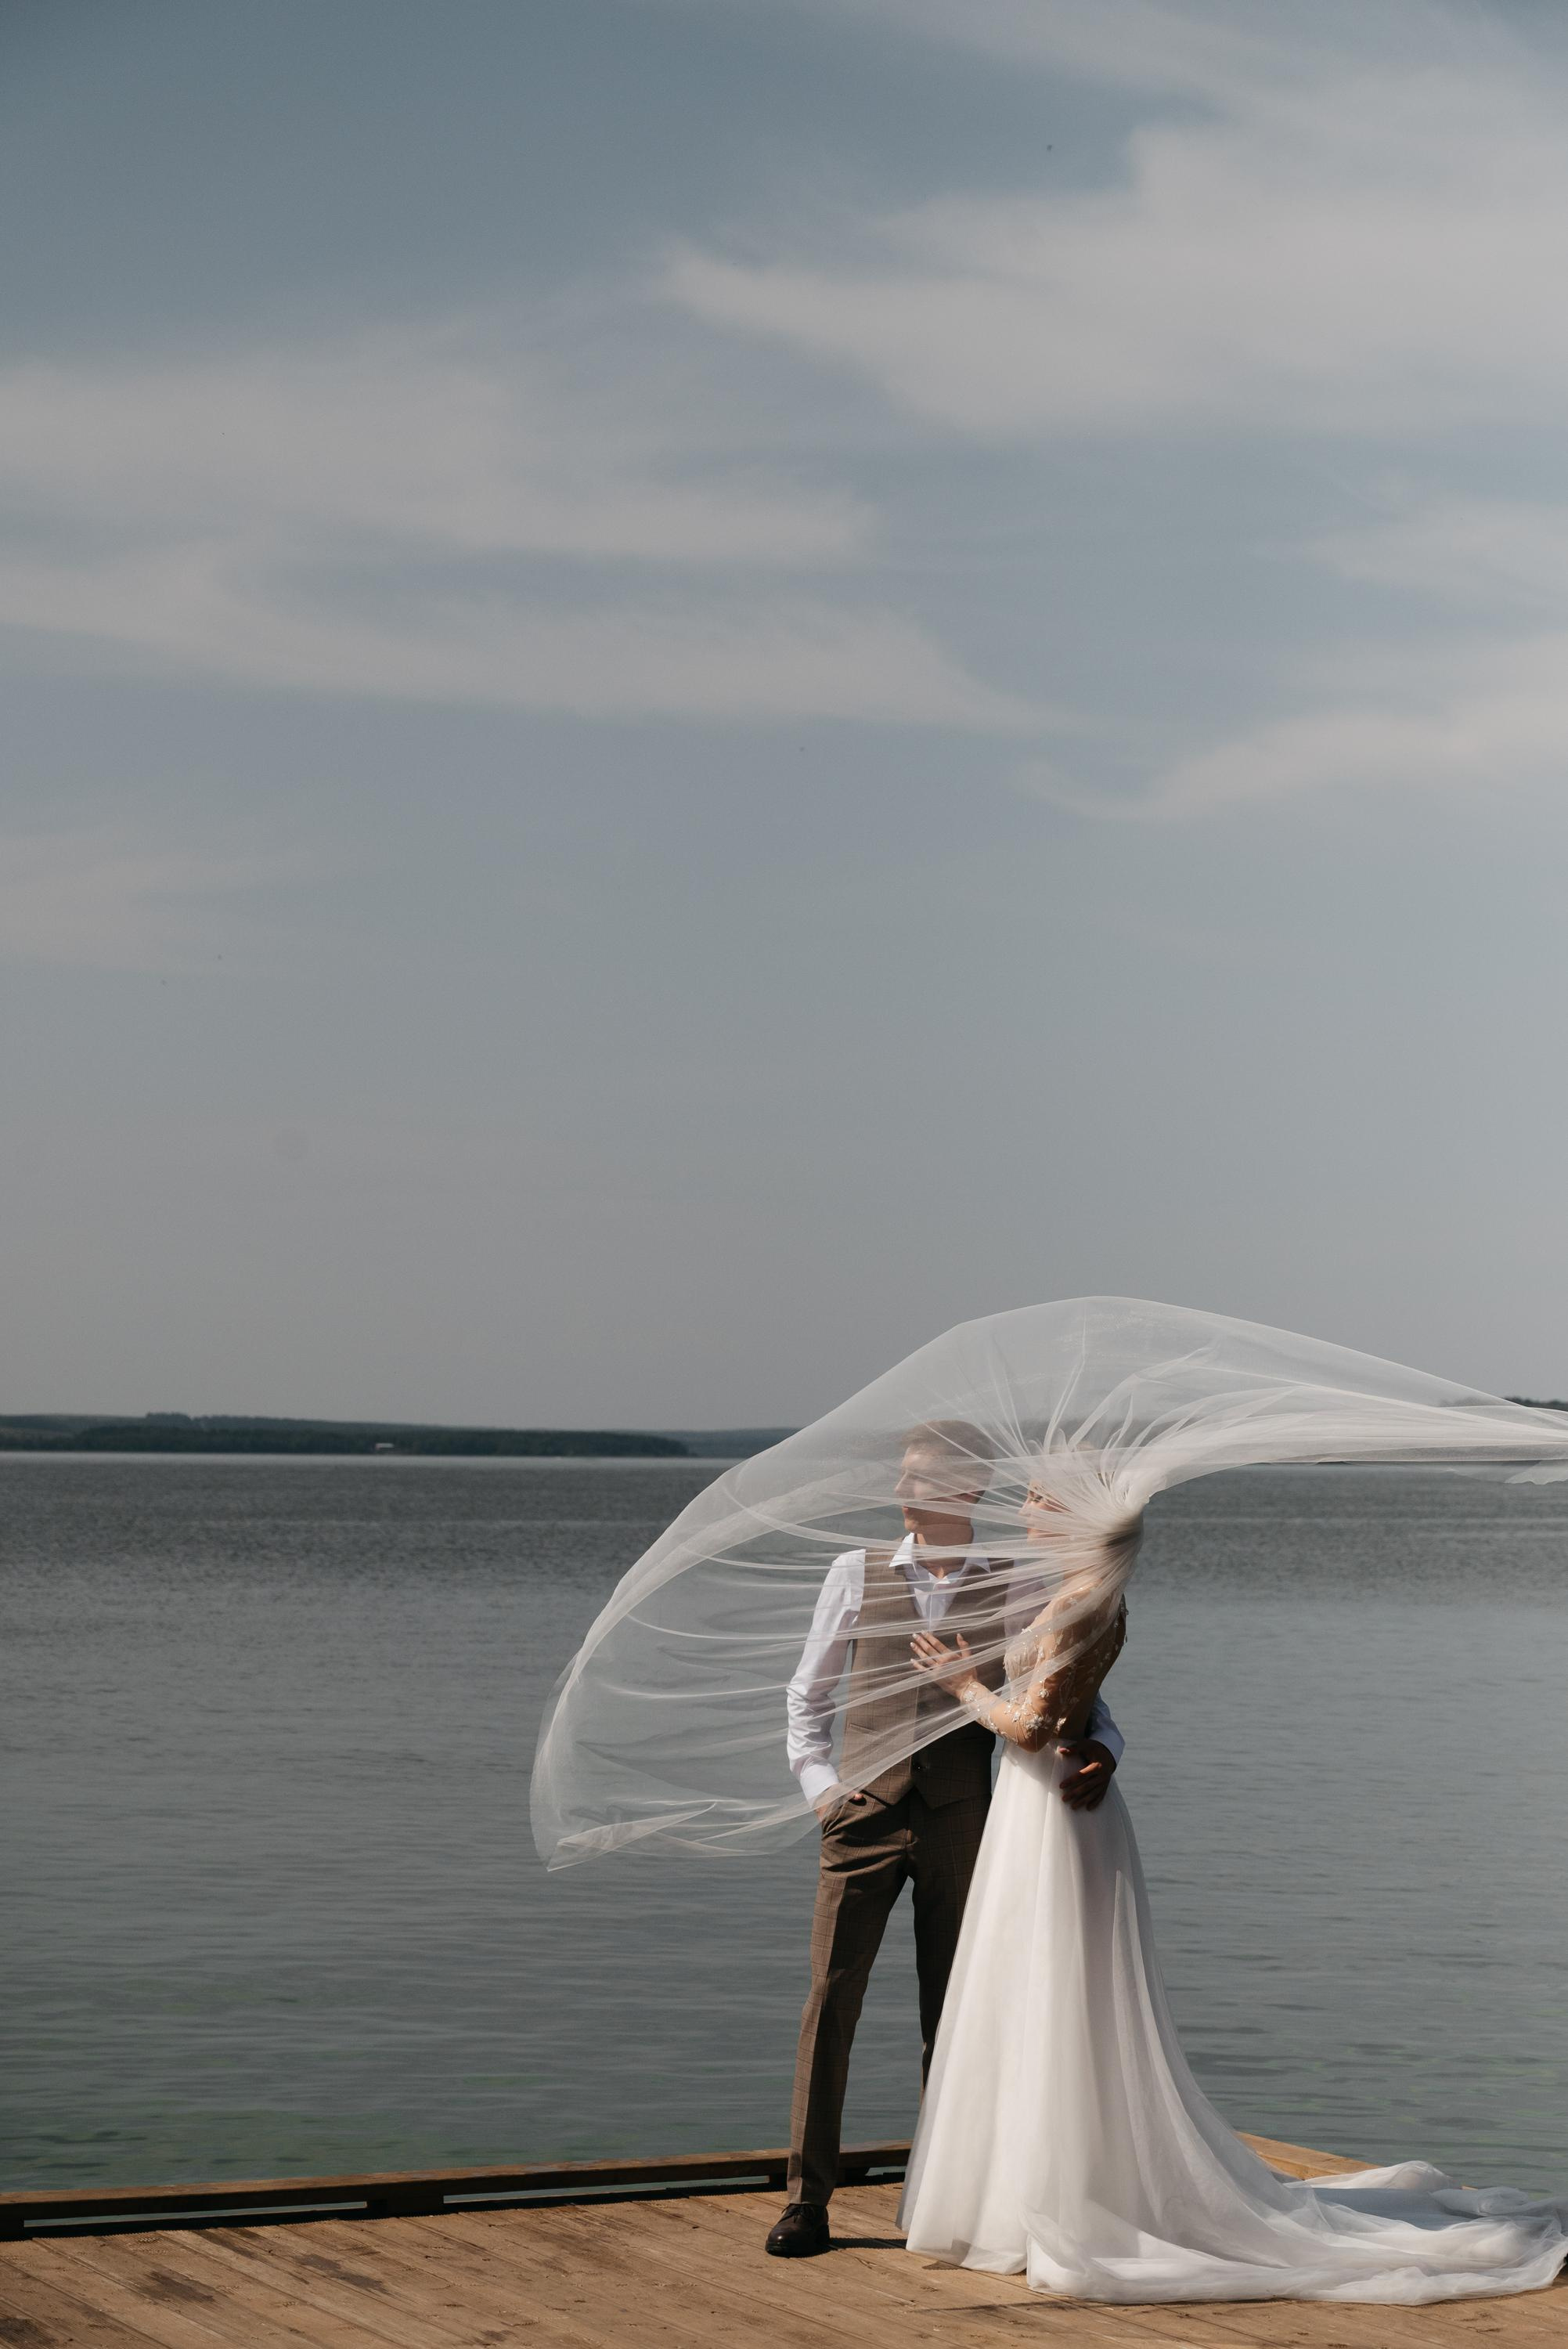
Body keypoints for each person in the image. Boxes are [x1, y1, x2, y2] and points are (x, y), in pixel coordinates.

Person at [896, 1478, 1568, 2306]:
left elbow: (1036, 1726)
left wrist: (964, 1683)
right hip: (1039, 1807)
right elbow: (1078, 1708)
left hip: (1051, 1810)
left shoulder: (1081, 1601)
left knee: (1061, 1995)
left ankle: (1064, 2193)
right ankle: (1037, 2184)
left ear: (1076, 1514)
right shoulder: (1079, 1593)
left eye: (1039, 1497)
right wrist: (1093, 1739)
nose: (1024, 1506)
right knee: (1034, 1991)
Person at [764, 1420, 1125, 2259]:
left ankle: (941, 2199)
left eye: (918, 1481)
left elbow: (1071, 1693)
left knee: (955, 2013)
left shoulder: (1015, 1580)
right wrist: (822, 1792)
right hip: (859, 1815)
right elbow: (805, 1695)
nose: (900, 1494)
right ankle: (805, 2200)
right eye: (900, 1479)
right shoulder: (853, 1573)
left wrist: (1106, 1750)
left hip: (968, 1819)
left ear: (966, 1491)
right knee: (830, 2003)